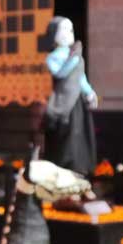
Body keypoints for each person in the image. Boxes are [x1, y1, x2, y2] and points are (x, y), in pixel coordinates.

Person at [42, 17, 98, 175]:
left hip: (77, 103)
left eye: (71, 29)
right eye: (64, 29)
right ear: (54, 35)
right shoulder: (53, 57)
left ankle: (79, 177)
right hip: (63, 104)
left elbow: (82, 79)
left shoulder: (76, 56)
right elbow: (61, 73)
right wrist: (74, 59)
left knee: (79, 141)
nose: (69, 33)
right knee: (65, 142)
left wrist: (89, 92)